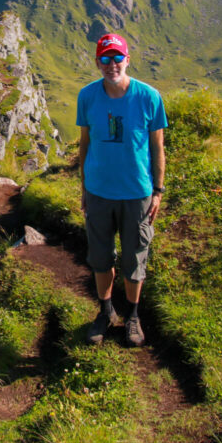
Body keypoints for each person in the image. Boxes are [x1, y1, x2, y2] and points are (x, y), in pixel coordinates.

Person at [76, 32, 167, 346]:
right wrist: (85, 188)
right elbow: (84, 144)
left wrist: (157, 191)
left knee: (134, 260)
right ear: (98, 62)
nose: (111, 64)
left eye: (117, 58)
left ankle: (133, 317)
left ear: (127, 59)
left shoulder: (149, 97)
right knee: (101, 258)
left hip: (136, 195)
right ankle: (105, 312)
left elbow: (158, 148)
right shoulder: (86, 97)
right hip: (99, 193)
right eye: (104, 58)